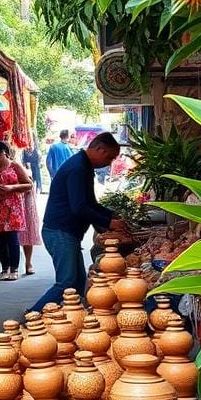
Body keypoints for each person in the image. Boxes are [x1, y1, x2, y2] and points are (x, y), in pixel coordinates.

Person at [29, 132, 128, 313]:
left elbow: (90, 203)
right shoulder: (78, 168)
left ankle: (82, 318)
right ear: (99, 149)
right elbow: (80, 207)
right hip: (60, 232)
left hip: (66, 233)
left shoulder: (84, 165)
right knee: (66, 284)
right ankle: (32, 316)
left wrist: (110, 215)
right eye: (109, 157)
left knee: (79, 282)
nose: (110, 162)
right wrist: (109, 222)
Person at [0, 141, 33, 281]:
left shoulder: (15, 166)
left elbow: (28, 185)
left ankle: (14, 269)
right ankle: (4, 268)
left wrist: (11, 188)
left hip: (12, 207)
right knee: (0, 240)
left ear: (6, 154)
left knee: (12, 238)